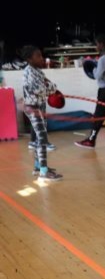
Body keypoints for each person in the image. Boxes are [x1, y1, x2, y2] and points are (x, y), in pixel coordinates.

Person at [20, 45, 62, 181]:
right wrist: (52, 88)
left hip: (40, 106)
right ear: (29, 59)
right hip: (33, 107)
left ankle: (38, 166)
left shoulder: (37, 71)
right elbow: (40, 89)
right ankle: (44, 172)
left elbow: (47, 85)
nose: (41, 58)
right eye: (38, 56)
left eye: (41, 55)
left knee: (40, 138)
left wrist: (50, 87)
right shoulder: (29, 72)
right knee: (42, 138)